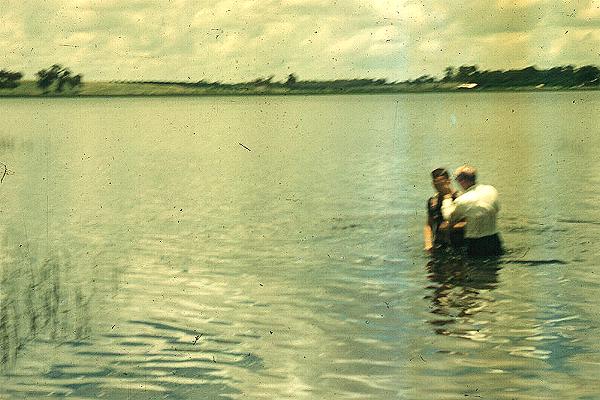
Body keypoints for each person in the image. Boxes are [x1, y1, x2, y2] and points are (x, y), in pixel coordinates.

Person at [441, 165, 503, 257]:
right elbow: (497, 208)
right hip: (494, 240)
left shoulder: (463, 200)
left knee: (475, 270)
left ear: (462, 181)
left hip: (476, 244)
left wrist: (447, 198)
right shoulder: (491, 190)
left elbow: (449, 217)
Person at [424, 168, 465, 253]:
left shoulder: (460, 198)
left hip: (459, 245)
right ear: (433, 184)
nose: (440, 187)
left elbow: (470, 222)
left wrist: (450, 226)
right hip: (440, 245)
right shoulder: (432, 202)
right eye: (436, 184)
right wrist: (428, 244)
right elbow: (428, 225)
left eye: (442, 184)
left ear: (448, 181)